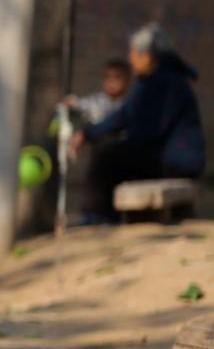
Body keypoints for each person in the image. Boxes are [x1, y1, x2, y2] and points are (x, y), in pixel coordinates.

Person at [70, 23, 205, 222]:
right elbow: (122, 117)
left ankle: (97, 215)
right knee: (110, 149)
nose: (130, 58)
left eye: (133, 53)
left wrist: (122, 141)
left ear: (148, 56)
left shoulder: (166, 83)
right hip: (162, 157)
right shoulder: (150, 82)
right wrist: (88, 133)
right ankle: (104, 214)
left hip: (176, 163)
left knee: (108, 154)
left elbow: (148, 130)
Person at [64, 58, 131, 125]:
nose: (111, 82)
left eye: (117, 77)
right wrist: (72, 102)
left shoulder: (129, 104)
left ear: (127, 81)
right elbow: (83, 104)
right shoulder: (97, 101)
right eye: (107, 77)